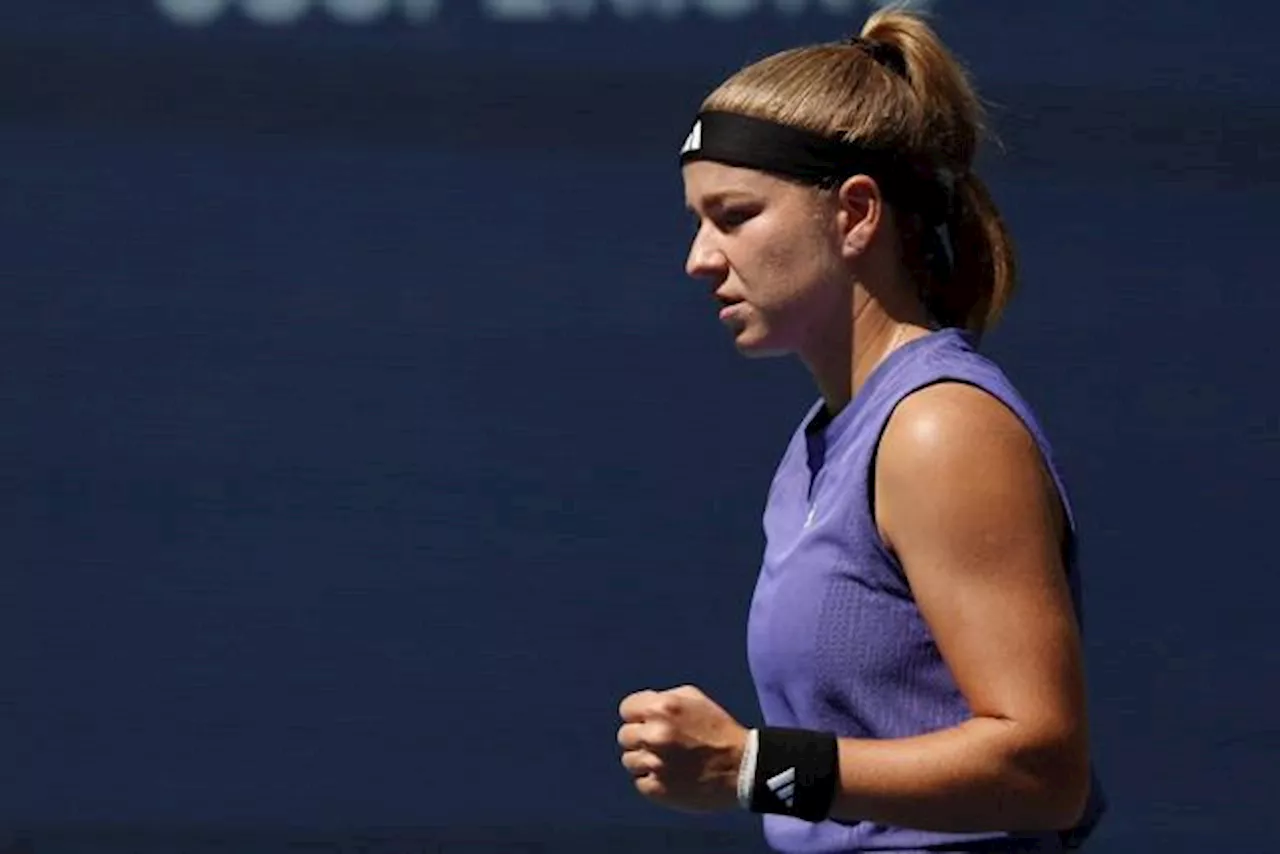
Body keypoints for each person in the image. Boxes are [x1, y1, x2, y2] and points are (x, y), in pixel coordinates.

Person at [615, 8, 1106, 853]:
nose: (699, 257)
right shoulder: (824, 437)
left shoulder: (940, 430)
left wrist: (752, 767)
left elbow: (1045, 773)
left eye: (733, 216)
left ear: (854, 214)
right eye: (698, 221)